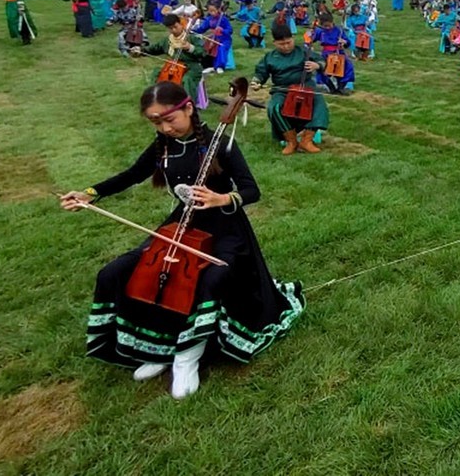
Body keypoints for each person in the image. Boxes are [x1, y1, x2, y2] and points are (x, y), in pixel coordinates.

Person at [58, 82, 303, 398]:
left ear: (189, 108)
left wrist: (220, 198)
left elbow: (251, 190)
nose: (164, 127)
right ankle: (157, 348)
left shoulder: (219, 143)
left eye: (168, 119)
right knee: (124, 270)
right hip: (181, 226)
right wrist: (90, 193)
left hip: (226, 229)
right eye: (155, 122)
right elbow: (131, 175)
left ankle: (187, 357)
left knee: (209, 278)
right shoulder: (162, 145)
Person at [253, 22, 329, 153]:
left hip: (306, 87)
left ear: (293, 39)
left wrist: (317, 66)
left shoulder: (303, 51)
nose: (286, 46)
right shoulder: (270, 57)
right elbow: (260, 73)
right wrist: (256, 81)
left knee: (319, 103)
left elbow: (321, 61)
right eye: (281, 44)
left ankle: (306, 140)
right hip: (282, 90)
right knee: (274, 108)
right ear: (274, 43)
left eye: (289, 42)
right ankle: (291, 140)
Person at [134, 15, 214, 107]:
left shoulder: (192, 38)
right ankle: (154, 99)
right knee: (157, 73)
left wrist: (190, 47)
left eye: (175, 27)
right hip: (173, 66)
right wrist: (140, 50)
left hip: (191, 67)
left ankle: (189, 104)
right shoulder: (167, 41)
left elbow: (203, 53)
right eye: (170, 28)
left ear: (181, 24)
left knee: (187, 79)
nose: (174, 30)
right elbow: (154, 49)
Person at [311, 13, 354, 95]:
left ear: (332, 22)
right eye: (325, 26)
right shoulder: (320, 31)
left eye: (329, 25)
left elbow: (347, 42)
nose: (327, 27)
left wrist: (344, 42)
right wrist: (310, 39)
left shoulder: (339, 30)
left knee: (347, 67)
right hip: (326, 54)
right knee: (323, 69)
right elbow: (311, 39)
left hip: (338, 52)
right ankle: (331, 87)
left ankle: (341, 87)